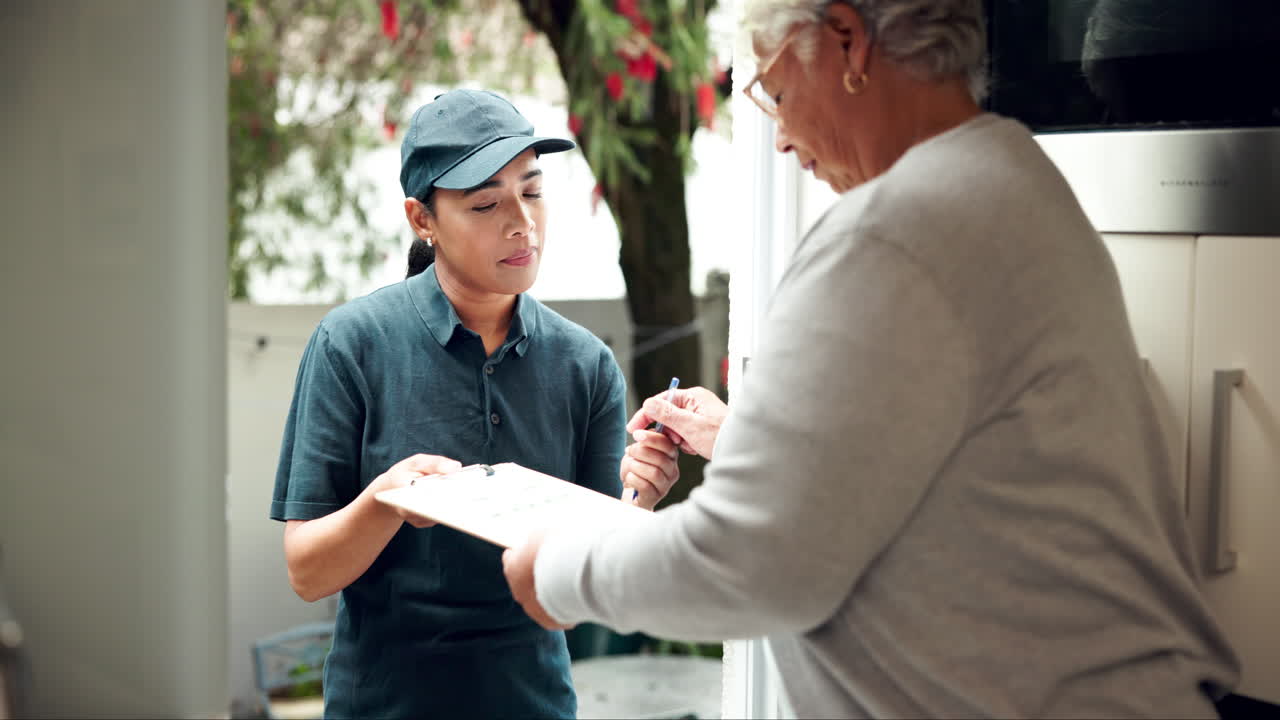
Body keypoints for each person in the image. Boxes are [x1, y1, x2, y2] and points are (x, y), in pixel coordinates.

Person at [502, 1, 1242, 716]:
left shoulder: (896, 231)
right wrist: (746, 443)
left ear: (851, 42)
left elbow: (755, 566)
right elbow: (958, 477)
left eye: (776, 91)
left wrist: (559, 566)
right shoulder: (1015, 181)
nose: (782, 140)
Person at [271, 88, 679, 719]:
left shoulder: (586, 365)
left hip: (533, 702)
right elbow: (307, 573)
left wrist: (639, 501)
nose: (521, 221)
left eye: (533, 190)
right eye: (486, 202)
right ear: (421, 218)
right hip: (384, 703)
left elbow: (591, 586)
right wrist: (386, 502)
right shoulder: (351, 344)